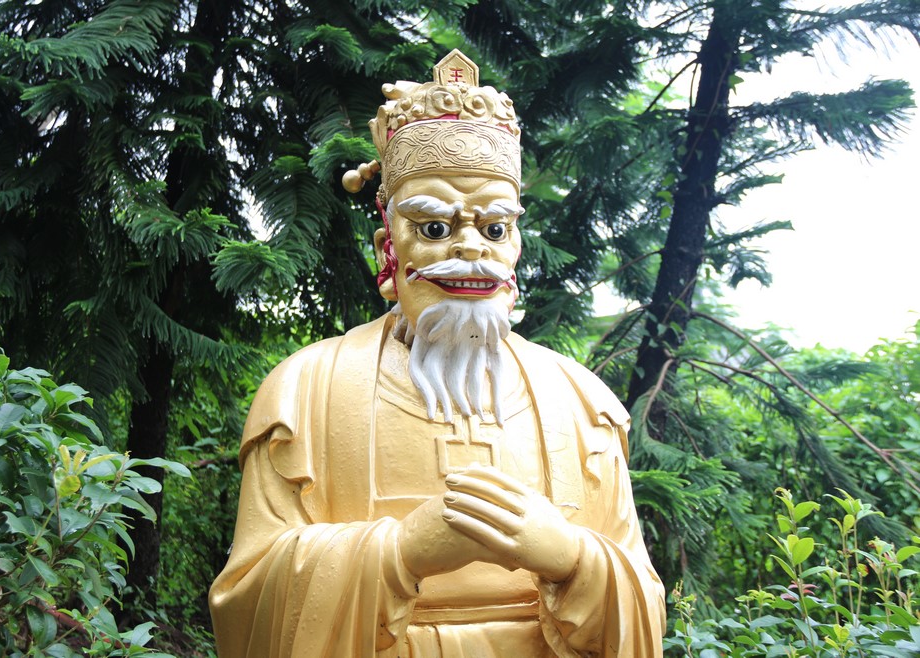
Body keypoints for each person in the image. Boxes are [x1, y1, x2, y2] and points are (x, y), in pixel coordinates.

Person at [209, 50, 666, 657]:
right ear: (388, 248)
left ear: (517, 245)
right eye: (434, 228)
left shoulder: (582, 404)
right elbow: (246, 602)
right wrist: (400, 553)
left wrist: (571, 557)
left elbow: (644, 598)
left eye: (495, 228)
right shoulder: (305, 391)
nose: (472, 249)